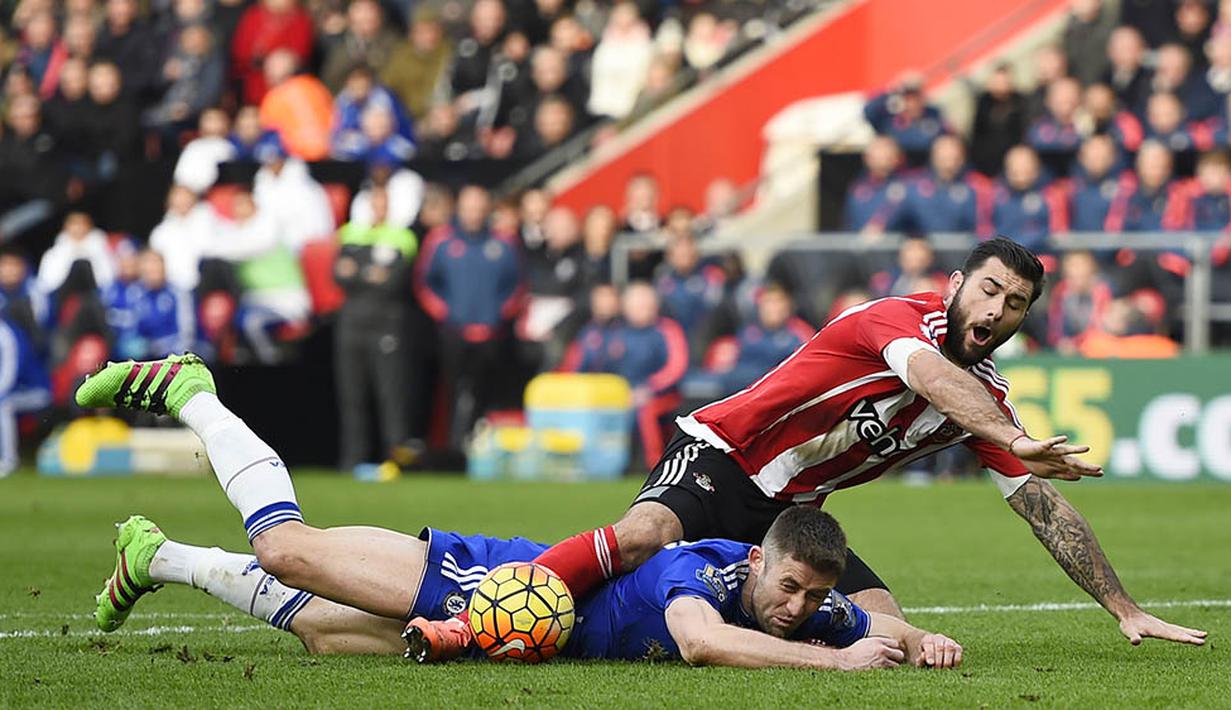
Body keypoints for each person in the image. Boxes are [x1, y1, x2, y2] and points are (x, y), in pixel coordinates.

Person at [406, 237, 1208, 660]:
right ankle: (471, 625)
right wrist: (1006, 431)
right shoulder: (899, 321)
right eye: (989, 290)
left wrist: (1123, 608)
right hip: (720, 452)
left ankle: (725, 629)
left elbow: (1039, 505)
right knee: (646, 535)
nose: (997, 310)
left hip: (790, 510)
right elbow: (928, 376)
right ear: (959, 283)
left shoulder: (984, 397)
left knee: (890, 632)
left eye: (1016, 304)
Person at [78, 382, 958, 669]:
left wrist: (914, 638)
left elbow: (865, 622)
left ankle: (161, 557)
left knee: (321, 634)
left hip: (534, 634)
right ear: (758, 563)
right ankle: (194, 396)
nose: (800, 608)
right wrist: (836, 662)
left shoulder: (797, 600)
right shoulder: (712, 576)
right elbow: (697, 643)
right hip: (495, 585)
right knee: (287, 551)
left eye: (812, 598)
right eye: (792, 588)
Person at [414, 185, 523, 446]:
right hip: (453, 333)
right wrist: (444, 312)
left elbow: (518, 286)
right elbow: (424, 283)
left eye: (479, 207)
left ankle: (484, 449)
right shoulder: (440, 241)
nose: (474, 213)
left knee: (489, 395)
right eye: (469, 207)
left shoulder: (504, 243)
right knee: (452, 393)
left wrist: (498, 314)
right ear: (459, 209)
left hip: (492, 334)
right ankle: (452, 449)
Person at [333, 185, 417, 470]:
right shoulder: (351, 234)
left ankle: (396, 460)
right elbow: (340, 274)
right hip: (352, 324)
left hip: (386, 324)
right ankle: (352, 460)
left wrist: (359, 272)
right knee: (352, 396)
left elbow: (393, 281)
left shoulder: (401, 237)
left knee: (390, 395)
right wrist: (370, 274)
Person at [0, 317, 50, 476]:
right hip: (15, 392)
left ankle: (9, 461)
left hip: (36, 390)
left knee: (4, 406)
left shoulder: (5, 333)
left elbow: (11, 372)